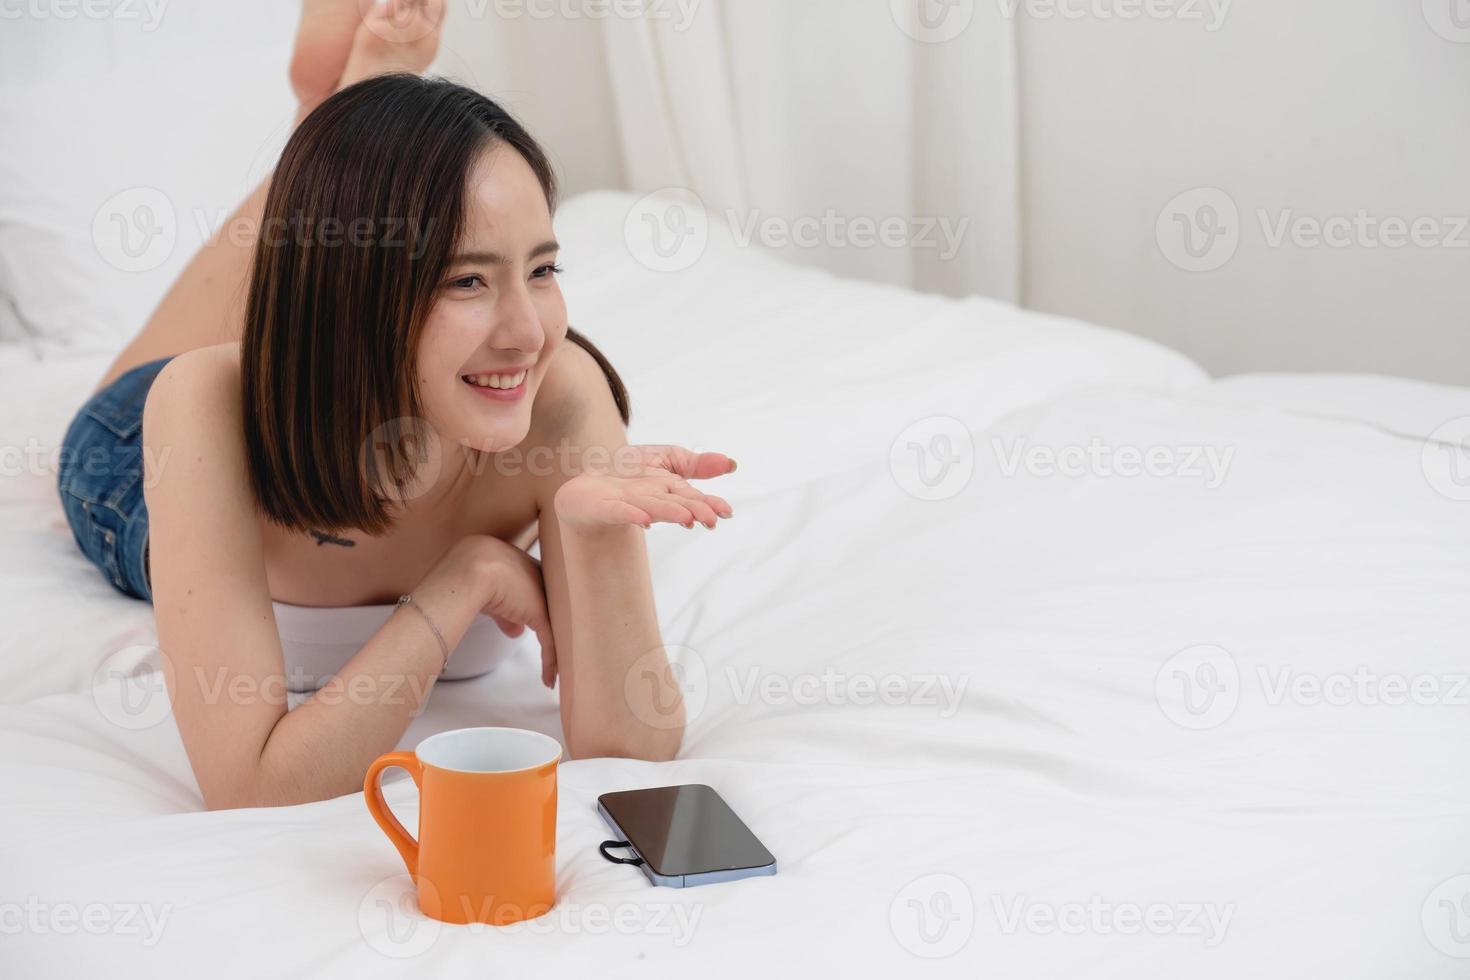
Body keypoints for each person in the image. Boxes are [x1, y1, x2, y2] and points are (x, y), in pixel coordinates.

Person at [56, 0, 734, 809]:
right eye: (468, 280)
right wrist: (465, 579)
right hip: (138, 454)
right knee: (183, 359)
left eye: (543, 270)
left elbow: (633, 749)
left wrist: (594, 539)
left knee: (337, 289)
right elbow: (251, 785)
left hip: (334, 349)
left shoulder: (563, 396)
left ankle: (338, 120)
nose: (529, 333)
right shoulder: (202, 406)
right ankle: (334, 117)